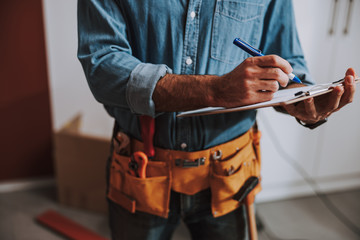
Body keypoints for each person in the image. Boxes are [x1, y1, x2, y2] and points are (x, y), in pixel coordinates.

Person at [77, 0, 357, 239]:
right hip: (140, 168)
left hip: (230, 174)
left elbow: (286, 65)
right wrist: (215, 90)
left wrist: (301, 99)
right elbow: (102, 66)